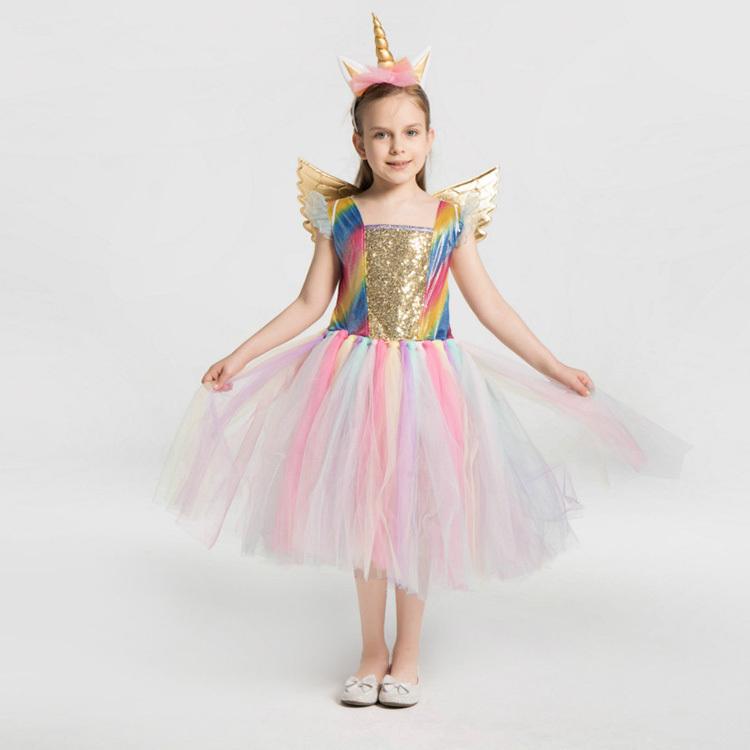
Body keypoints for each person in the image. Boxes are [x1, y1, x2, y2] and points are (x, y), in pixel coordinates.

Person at [153, 14, 691, 708]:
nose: (397, 145)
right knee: (364, 510)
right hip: (351, 379)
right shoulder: (342, 216)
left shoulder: (447, 217)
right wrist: (241, 353)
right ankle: (370, 650)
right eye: (381, 134)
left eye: (410, 132)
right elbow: (310, 302)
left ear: (431, 138)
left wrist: (553, 366)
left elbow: (490, 306)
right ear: (359, 142)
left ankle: (407, 653)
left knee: (416, 511)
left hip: (428, 382)